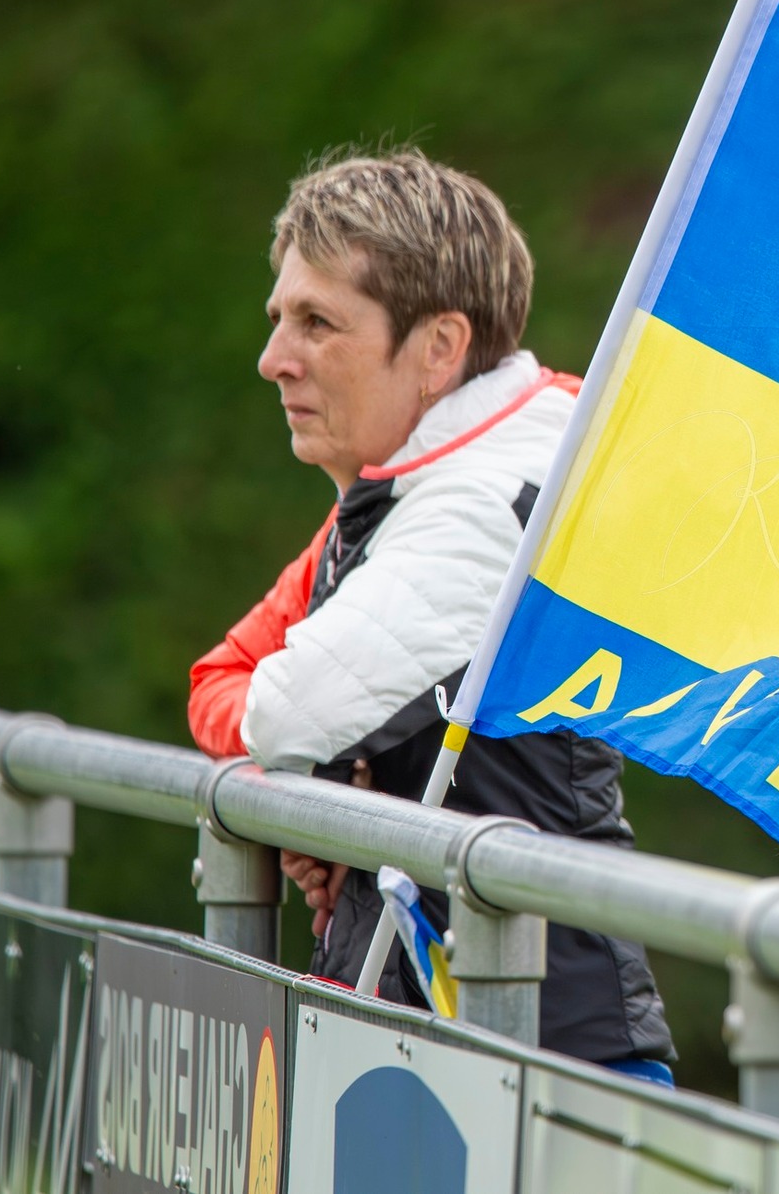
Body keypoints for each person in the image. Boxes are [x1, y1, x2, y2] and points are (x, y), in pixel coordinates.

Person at [187, 148, 675, 1081]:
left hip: (547, 1071)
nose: (273, 358)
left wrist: (305, 770)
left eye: (318, 322)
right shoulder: (403, 489)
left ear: (441, 348)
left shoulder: (486, 500)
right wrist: (318, 795)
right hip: (427, 1049)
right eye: (279, 318)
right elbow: (225, 677)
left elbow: (274, 712)